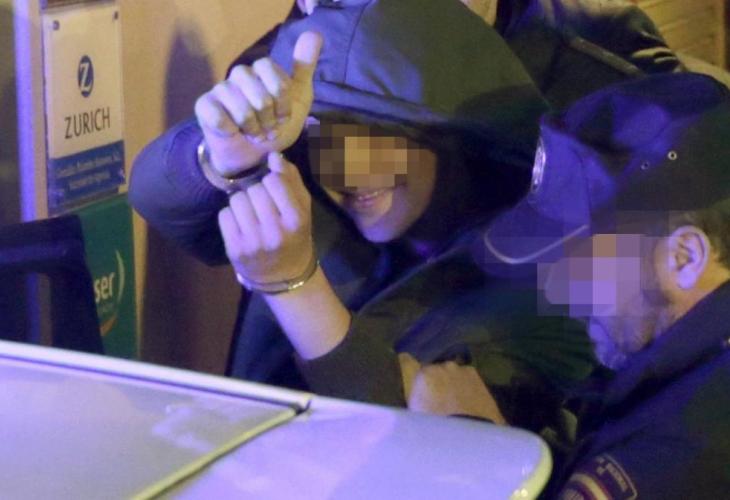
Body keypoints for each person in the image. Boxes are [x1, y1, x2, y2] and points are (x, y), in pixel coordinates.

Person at [130, 0, 598, 429]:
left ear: (454, 136)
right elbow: (160, 198)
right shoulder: (305, 178)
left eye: (377, 132)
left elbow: (414, 441)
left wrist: (293, 285)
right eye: (324, 134)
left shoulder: (547, 275)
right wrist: (217, 159)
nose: (347, 171)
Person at [483, 72, 730, 497]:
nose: (559, 292)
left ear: (684, 258)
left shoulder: (690, 445)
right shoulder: (685, 374)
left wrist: (479, 445)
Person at [260, 0, 681, 111]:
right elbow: (221, 235)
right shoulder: (296, 61)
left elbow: (701, 164)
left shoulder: (599, 33)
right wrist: (232, 167)